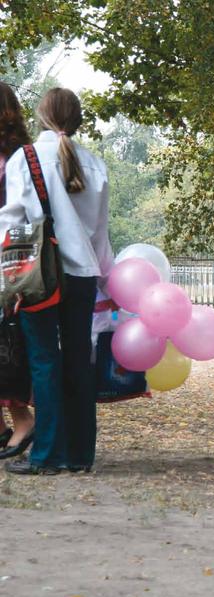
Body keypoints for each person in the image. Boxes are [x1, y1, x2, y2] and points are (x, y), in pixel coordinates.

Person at [1, 87, 114, 474]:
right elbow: (101, 234)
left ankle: (47, 456)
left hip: (39, 276)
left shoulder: (25, 159)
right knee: (80, 361)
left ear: (42, 116)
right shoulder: (94, 164)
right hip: (82, 274)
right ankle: (80, 454)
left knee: (45, 361)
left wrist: (8, 278)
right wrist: (107, 284)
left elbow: (13, 222)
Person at [0, 81, 35, 460]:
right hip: (11, 260)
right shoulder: (20, 155)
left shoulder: (17, 159)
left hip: (9, 262)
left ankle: (22, 422)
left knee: (6, 346)